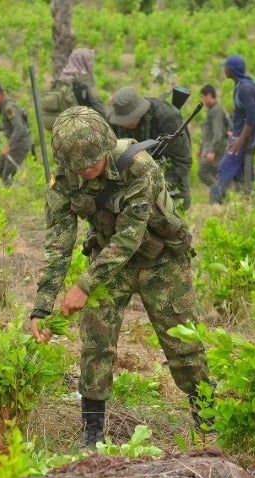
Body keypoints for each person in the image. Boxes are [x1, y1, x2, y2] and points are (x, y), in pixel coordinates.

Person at [29, 106, 210, 447]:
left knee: (182, 343)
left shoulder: (139, 167)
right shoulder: (63, 183)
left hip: (162, 261)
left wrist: (84, 285)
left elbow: (129, 236)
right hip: (109, 263)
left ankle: (208, 418)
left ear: (106, 147)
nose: (88, 170)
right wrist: (42, 307)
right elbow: (58, 247)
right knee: (95, 341)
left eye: (93, 162)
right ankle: (92, 430)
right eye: (79, 166)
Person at [108, 86, 193, 209]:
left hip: (169, 175)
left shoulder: (166, 117)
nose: (126, 123)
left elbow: (182, 160)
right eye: (123, 120)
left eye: (130, 118)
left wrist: (161, 186)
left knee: (175, 211)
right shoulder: (114, 121)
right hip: (135, 181)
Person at [210, 54, 255, 204]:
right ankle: (253, 202)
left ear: (232, 70)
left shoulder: (244, 88)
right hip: (244, 136)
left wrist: (240, 140)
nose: (224, 70)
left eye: (226, 67)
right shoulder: (244, 85)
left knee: (224, 169)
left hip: (242, 138)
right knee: (246, 172)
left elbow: (252, 116)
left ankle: (215, 204)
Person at [0, 83, 32, 186]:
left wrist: (9, 146)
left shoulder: (9, 108)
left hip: (20, 144)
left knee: (7, 174)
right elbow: (9, 126)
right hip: (15, 144)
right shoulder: (4, 107)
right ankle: (8, 189)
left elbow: (19, 128)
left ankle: (14, 191)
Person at [56, 48, 108, 119]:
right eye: (90, 61)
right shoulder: (88, 83)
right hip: (82, 122)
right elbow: (98, 104)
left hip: (63, 121)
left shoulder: (62, 79)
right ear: (85, 62)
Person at [196, 84, 229, 194]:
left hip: (215, 149)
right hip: (210, 148)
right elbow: (207, 134)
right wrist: (201, 149)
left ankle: (219, 194)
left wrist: (212, 151)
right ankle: (218, 197)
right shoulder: (212, 110)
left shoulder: (216, 111)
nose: (202, 100)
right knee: (215, 174)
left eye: (203, 97)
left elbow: (217, 133)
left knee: (203, 172)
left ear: (209, 95)